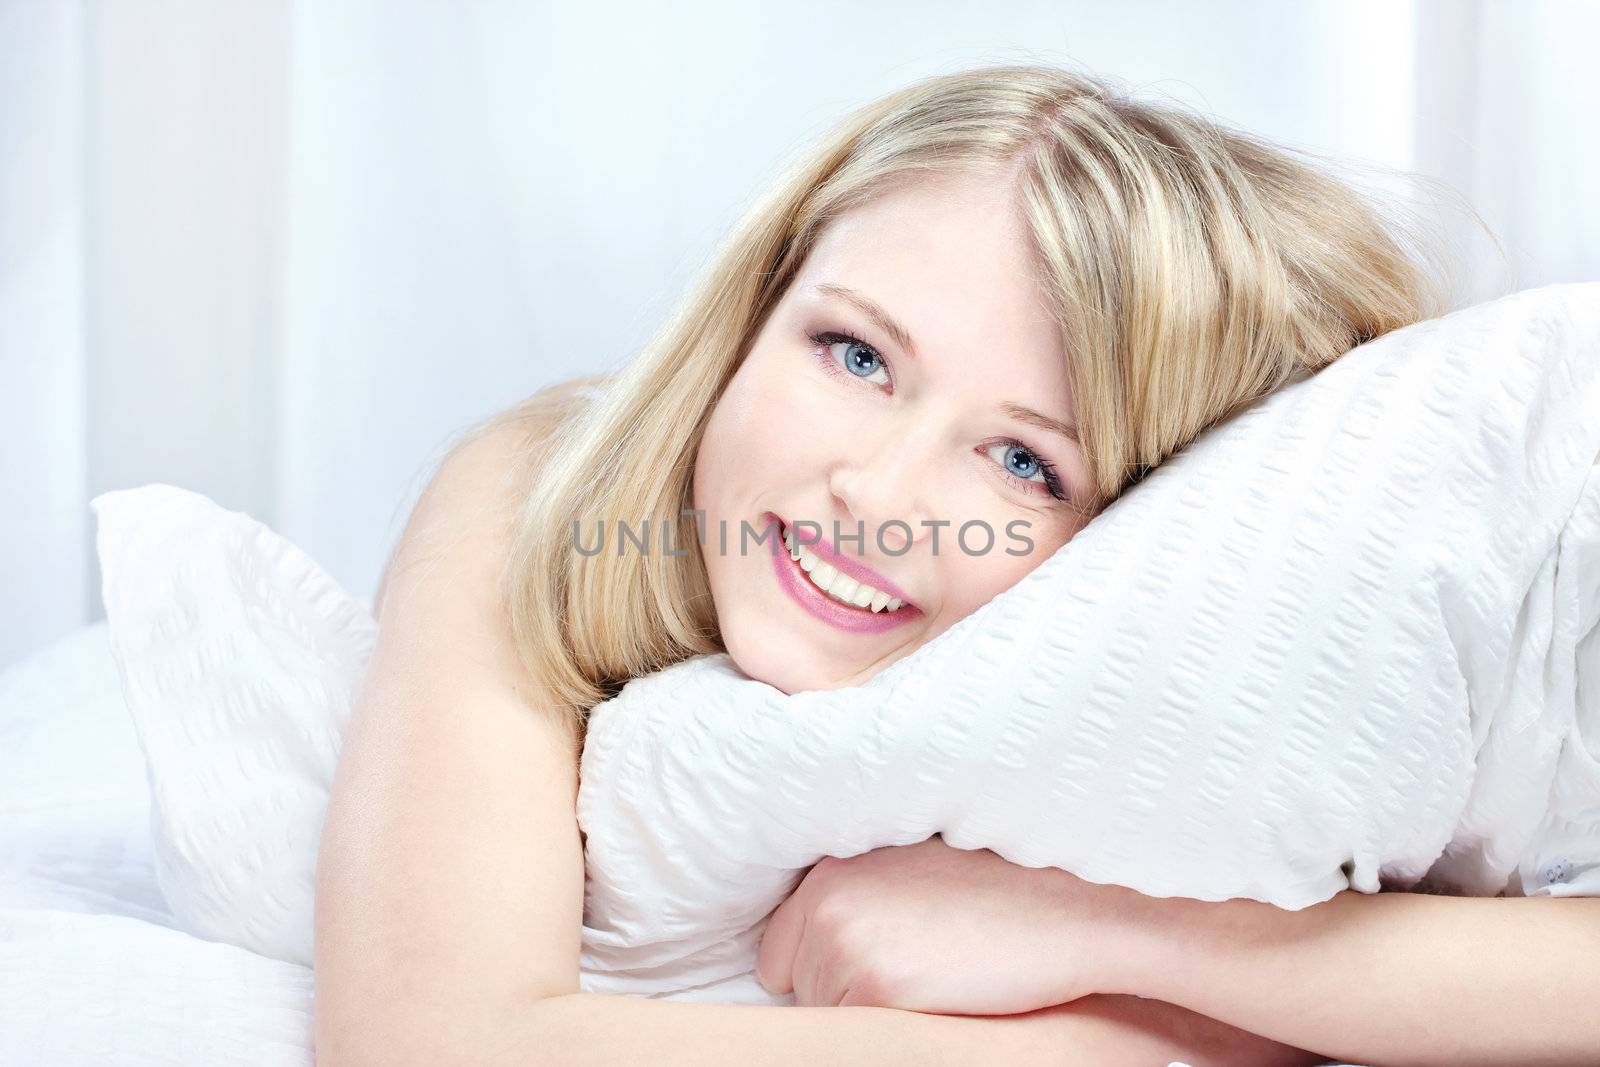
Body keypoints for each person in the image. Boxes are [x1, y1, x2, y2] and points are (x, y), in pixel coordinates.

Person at [312, 65, 1593, 1066]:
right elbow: (436, 1039)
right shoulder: (538, 493)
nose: (875, 496)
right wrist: (1148, 1034)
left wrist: (1121, 933)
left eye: (1023, 463)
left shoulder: (1215, 718)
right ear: (757, 306)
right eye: (854, 355)